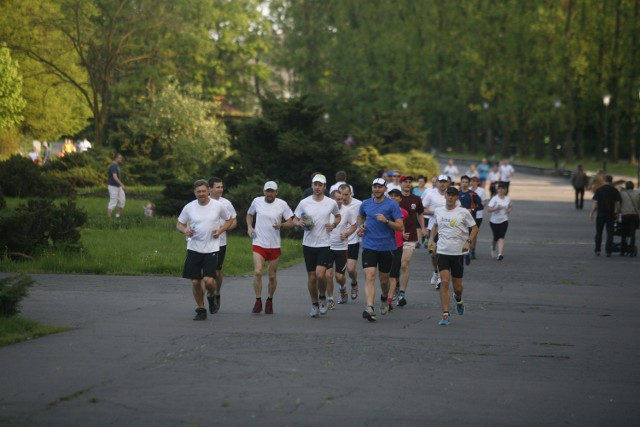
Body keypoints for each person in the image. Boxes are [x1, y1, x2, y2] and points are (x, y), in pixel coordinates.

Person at [176, 180, 234, 320]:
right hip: (194, 247)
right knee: (196, 281)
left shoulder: (218, 206)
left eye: (203, 191)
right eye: (198, 192)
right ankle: (201, 309)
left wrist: (219, 231)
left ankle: (212, 295)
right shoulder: (189, 207)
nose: (201, 194)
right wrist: (185, 230)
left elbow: (229, 220)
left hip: (211, 247)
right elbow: (179, 224)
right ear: (194, 193)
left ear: (208, 190)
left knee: (208, 280)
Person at [427, 186, 478, 326]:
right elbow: (435, 225)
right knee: (444, 281)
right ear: (445, 196)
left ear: (456, 198)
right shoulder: (438, 211)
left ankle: (459, 300)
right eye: (448, 195)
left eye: (453, 195)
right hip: (442, 251)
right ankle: (445, 314)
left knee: (458, 287)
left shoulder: (463, 212)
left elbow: (474, 228)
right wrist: (431, 239)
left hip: (458, 253)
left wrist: (468, 242)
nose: (450, 197)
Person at [293, 174, 341, 317]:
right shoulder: (304, 202)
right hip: (308, 244)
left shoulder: (331, 203)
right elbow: (295, 219)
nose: (317, 187)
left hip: (324, 243)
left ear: (325, 186)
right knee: (312, 277)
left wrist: (334, 224)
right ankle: (314, 303)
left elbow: (338, 216)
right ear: (312, 186)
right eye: (315, 184)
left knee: (321, 274)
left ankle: (322, 297)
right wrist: (299, 223)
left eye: (320, 185)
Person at [357, 178, 404, 321]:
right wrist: (361, 227)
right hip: (369, 246)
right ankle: (369, 307)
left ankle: (384, 297)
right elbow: (360, 217)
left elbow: (400, 227)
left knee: (384, 280)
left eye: (380, 187)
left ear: (385, 189)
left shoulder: (392, 205)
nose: (377, 189)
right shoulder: (365, 204)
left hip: (387, 247)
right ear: (372, 188)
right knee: (369, 276)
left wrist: (387, 221)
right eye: (375, 186)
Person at [246, 181, 295, 314]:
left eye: (272, 191)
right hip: (259, 242)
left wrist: (282, 225)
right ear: (264, 192)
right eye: (268, 191)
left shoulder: (282, 204)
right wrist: (250, 227)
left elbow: (291, 221)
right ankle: (258, 301)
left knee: (272, 276)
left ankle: (269, 300)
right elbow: (250, 214)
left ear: (276, 192)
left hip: (274, 244)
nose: (270, 194)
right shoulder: (257, 201)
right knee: (257, 272)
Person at [207, 177, 238, 313]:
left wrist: (223, 228)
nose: (220, 189)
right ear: (210, 189)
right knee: (206, 273)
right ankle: (210, 295)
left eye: (221, 187)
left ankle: (217, 293)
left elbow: (234, 222)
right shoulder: (203, 201)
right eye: (218, 187)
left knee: (217, 272)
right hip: (204, 243)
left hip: (220, 243)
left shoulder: (226, 203)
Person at [396, 175, 427, 306]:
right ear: (400, 183)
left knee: (404, 264)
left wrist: (424, 228)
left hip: (410, 235)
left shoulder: (416, 199)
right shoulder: (395, 198)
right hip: (395, 236)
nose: (408, 184)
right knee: (395, 266)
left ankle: (402, 293)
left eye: (409, 182)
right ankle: (395, 287)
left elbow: (420, 213)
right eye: (405, 182)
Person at [325, 190, 357, 308]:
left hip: (341, 248)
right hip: (327, 246)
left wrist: (347, 234)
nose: (340, 201)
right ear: (331, 199)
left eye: (341, 198)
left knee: (339, 277)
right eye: (337, 199)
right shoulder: (326, 211)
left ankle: (343, 288)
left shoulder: (347, 211)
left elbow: (354, 225)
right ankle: (330, 299)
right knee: (328, 275)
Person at [421, 175, 450, 289]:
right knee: (433, 254)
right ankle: (435, 271)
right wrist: (434, 213)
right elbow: (421, 210)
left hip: (447, 229)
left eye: (444, 182)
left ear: (447, 183)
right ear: (437, 183)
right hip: (433, 227)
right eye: (440, 182)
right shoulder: (431, 194)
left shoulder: (451, 194)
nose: (442, 184)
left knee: (443, 254)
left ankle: (440, 278)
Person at [386, 189, 409, 311]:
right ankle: (390, 293)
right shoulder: (384, 211)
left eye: (396, 196)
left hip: (397, 245)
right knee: (384, 275)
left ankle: (389, 301)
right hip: (384, 245)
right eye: (391, 196)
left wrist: (403, 234)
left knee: (393, 275)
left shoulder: (404, 213)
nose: (393, 198)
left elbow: (403, 225)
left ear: (400, 199)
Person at [339, 183, 362, 301]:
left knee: (351, 269)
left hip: (353, 239)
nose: (343, 198)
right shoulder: (335, 204)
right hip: (339, 241)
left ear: (351, 193)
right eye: (342, 195)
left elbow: (364, 217)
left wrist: (362, 228)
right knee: (339, 271)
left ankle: (354, 283)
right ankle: (342, 289)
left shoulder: (358, 204)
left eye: (346, 195)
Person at [589, 175, 621, 257]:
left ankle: (597, 250)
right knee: (610, 233)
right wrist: (618, 212)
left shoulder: (599, 190)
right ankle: (608, 251)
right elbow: (617, 203)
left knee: (599, 232)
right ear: (611, 181)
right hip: (610, 214)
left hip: (601, 214)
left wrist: (592, 213)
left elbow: (595, 203)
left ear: (604, 180)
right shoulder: (614, 190)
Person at [457, 175, 483, 265]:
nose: (464, 184)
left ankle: (469, 252)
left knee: (469, 237)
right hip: (459, 220)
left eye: (466, 182)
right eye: (463, 182)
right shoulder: (457, 194)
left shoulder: (473, 194)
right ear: (460, 183)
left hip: (470, 220)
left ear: (469, 183)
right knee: (460, 237)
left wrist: (471, 209)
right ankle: (463, 254)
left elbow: (480, 206)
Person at [487, 184, 513, 260]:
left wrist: (509, 210)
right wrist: (496, 208)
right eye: (499, 189)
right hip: (494, 221)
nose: (501, 190)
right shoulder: (494, 199)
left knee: (501, 236)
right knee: (496, 237)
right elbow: (488, 210)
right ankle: (493, 247)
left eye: (502, 189)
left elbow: (510, 206)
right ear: (497, 190)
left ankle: (500, 254)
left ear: (505, 190)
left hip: (504, 220)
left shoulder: (508, 199)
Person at [469, 176, 488, 258]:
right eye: (472, 181)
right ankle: (467, 249)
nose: (473, 183)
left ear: (478, 183)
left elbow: (484, 202)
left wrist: (477, 206)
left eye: (475, 181)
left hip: (478, 215)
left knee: (475, 233)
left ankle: (473, 250)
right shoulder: (468, 190)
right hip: (468, 214)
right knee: (467, 232)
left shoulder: (481, 191)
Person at [619, 181, 640, 257]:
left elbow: (619, 204)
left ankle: (622, 250)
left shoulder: (622, 194)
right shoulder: (637, 194)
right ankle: (631, 250)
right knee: (632, 233)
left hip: (625, 214)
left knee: (624, 233)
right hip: (634, 215)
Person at [412, 175, 429, 247]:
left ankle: (426, 240)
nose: (420, 183)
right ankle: (418, 241)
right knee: (417, 226)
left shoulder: (427, 190)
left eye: (422, 181)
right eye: (419, 181)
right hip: (416, 209)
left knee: (425, 225)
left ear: (425, 182)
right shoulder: (414, 190)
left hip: (424, 209)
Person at [107, 153, 125, 218]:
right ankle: (108, 217)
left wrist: (120, 185)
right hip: (112, 187)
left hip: (118, 187)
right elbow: (115, 177)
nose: (121, 159)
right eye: (120, 158)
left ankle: (117, 216)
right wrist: (122, 184)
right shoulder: (113, 166)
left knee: (122, 200)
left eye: (121, 158)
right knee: (113, 201)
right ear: (116, 158)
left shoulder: (117, 166)